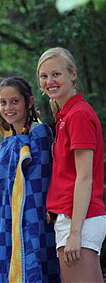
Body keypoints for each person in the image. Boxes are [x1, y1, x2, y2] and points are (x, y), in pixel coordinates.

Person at [37, 47, 105, 283]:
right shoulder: (66, 115)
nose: (49, 81)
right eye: (44, 76)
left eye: (56, 74)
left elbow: (84, 177)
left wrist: (74, 233)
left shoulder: (78, 115)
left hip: (80, 219)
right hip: (73, 217)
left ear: (73, 74)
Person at [0, 77, 60, 283]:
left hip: (32, 220)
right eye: (3, 102)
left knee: (35, 268)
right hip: (7, 220)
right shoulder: (7, 140)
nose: (8, 108)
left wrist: (29, 228)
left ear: (28, 102)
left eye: (14, 101)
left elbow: (39, 184)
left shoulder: (39, 133)